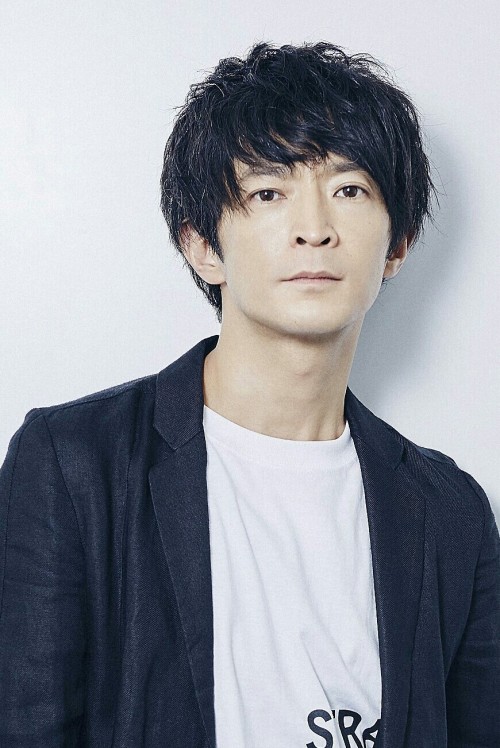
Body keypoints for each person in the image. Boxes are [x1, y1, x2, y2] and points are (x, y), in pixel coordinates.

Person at [0, 41, 498, 748]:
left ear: (398, 244)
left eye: (350, 190)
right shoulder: (73, 464)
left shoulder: (450, 511)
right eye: (269, 193)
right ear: (202, 245)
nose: (314, 229)